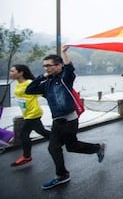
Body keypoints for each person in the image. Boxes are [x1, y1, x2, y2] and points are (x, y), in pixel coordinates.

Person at [25, 45, 106, 190]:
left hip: (69, 120)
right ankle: (63, 174)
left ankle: (96, 148)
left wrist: (63, 52)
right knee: (56, 148)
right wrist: (42, 76)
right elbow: (29, 90)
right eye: (44, 66)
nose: (46, 69)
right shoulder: (46, 83)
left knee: (70, 146)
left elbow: (70, 69)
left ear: (59, 66)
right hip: (57, 121)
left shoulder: (65, 78)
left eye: (49, 66)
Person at [9, 64, 50, 167]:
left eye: (13, 71)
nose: (11, 73)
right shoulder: (18, 83)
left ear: (21, 73)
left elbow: (42, 93)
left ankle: (27, 157)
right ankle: (59, 140)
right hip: (27, 113)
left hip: (33, 113)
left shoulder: (29, 83)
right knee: (41, 131)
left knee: (23, 135)